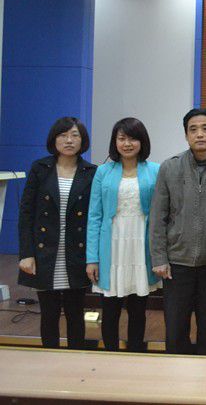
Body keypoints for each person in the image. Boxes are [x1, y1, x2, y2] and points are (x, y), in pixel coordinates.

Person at [149, 108, 206, 355]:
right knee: (175, 329)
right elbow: (158, 217)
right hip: (177, 264)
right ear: (186, 135)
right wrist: (159, 258)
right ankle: (177, 376)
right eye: (193, 129)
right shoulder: (170, 167)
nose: (200, 134)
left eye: (205, 129)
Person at [17, 117, 96, 349]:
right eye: (63, 135)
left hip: (76, 252)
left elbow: (95, 218)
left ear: (82, 140)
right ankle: (49, 360)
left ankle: (76, 360)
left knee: (75, 312)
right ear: (54, 139)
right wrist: (26, 253)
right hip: (45, 253)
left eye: (74, 135)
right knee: (49, 313)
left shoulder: (91, 172)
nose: (69, 140)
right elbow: (26, 214)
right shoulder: (40, 168)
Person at [86, 117, 161, 352]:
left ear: (142, 141)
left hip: (141, 244)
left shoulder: (155, 170)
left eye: (133, 138)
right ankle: (110, 354)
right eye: (122, 138)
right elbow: (94, 216)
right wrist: (92, 258)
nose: (127, 144)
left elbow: (161, 214)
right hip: (111, 244)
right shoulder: (103, 171)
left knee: (139, 308)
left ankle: (136, 353)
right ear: (115, 142)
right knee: (110, 309)